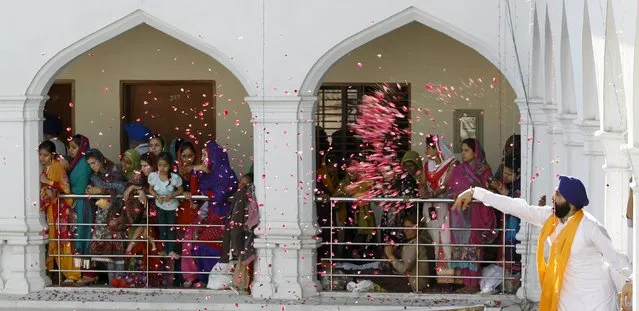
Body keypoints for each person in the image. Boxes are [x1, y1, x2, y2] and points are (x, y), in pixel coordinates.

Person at [453, 175, 633, 310]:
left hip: (596, 300)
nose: (553, 197)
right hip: (565, 299)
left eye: (558, 195)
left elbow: (615, 257)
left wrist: (630, 280)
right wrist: (475, 192)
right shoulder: (550, 218)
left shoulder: (590, 227)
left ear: (571, 202)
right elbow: (516, 207)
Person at [447, 138, 496, 293]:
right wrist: (457, 195)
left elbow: (489, 191)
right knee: (463, 245)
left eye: (467, 150)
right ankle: (465, 281)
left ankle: (472, 284)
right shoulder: (458, 169)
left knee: (474, 246)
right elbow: (450, 190)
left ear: (476, 152)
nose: (463, 153)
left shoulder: (485, 170)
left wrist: (473, 194)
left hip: (476, 214)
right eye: (462, 150)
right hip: (461, 216)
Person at [82, 149, 127, 286]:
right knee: (108, 251)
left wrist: (101, 190)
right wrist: (91, 189)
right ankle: (111, 281)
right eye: (89, 164)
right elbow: (95, 188)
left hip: (116, 214)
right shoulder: (96, 175)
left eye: (94, 163)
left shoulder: (113, 170)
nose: (92, 166)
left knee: (117, 249)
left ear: (101, 160)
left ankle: (121, 280)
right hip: (102, 213)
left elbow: (121, 188)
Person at [38, 141, 80, 285]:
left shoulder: (57, 167)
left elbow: (66, 189)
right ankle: (60, 273)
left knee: (64, 240)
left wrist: (48, 182)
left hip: (60, 209)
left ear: (52, 155)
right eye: (41, 155)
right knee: (55, 240)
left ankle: (72, 274)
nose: (42, 158)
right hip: (52, 209)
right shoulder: (47, 167)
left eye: (45, 155)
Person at [421, 135, 456, 280]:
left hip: (444, 205)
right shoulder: (427, 165)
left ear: (438, 149)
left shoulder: (451, 164)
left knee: (446, 238)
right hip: (430, 206)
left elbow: (446, 185)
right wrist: (423, 190)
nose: (426, 150)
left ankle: (449, 277)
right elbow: (422, 182)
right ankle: (439, 277)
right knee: (435, 238)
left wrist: (433, 193)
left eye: (429, 147)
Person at [382, 211, 436, 292]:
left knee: (374, 275)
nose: (405, 230)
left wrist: (390, 255)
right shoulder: (424, 240)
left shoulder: (415, 244)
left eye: (408, 227)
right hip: (418, 282)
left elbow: (403, 269)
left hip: (413, 285)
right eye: (404, 227)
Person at [148, 152, 184, 260]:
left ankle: (171, 250)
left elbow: (181, 190)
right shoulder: (153, 176)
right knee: (162, 228)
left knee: (171, 229)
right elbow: (150, 189)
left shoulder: (174, 178)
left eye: (165, 166)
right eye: (160, 165)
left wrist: (171, 195)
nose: (162, 168)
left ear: (170, 166)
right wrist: (156, 196)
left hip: (172, 207)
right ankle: (164, 249)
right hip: (160, 206)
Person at [65, 134, 92, 267]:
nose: (70, 150)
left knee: (83, 233)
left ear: (82, 148)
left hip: (83, 204)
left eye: (74, 147)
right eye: (69, 147)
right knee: (76, 233)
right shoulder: (73, 162)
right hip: (75, 203)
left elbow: (80, 187)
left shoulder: (84, 163)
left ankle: (86, 270)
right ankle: (78, 270)